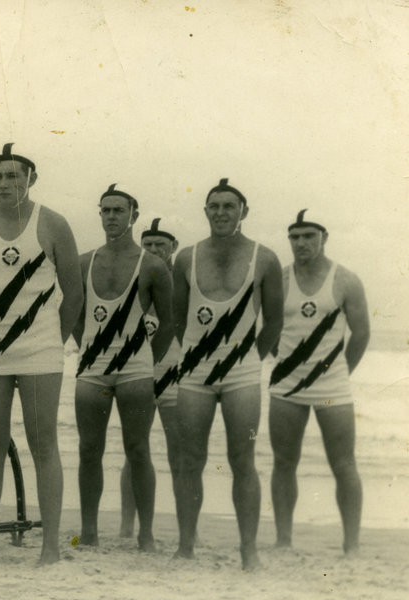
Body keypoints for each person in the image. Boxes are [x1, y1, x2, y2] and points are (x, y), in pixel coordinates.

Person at [0, 143, 83, 565]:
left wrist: (52, 339)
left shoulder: (53, 224)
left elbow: (74, 293)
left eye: (14, 176)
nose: (5, 184)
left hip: (40, 351)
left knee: (42, 443)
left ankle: (49, 548)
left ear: (31, 178)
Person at [171, 178, 283, 570]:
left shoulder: (264, 258)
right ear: (205, 212)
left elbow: (274, 323)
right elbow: (176, 318)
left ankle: (248, 549)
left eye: (229, 206)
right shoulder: (186, 257)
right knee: (189, 459)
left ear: (243, 212)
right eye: (214, 206)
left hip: (242, 374)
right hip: (195, 371)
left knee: (242, 459)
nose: (221, 212)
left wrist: (248, 361)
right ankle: (186, 545)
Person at [74, 186, 173, 552]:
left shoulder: (152, 265)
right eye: (105, 210)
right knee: (89, 450)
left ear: (134, 214)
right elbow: (75, 316)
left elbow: (168, 321)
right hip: (93, 367)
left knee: (138, 449)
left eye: (119, 210)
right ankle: (89, 530)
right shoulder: (84, 261)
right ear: (99, 215)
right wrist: (89, 349)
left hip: (135, 369)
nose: (112, 216)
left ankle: (145, 533)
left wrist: (146, 358)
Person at [269, 209, 369, 555]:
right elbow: (265, 330)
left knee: (344, 464)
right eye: (294, 237)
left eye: (309, 236)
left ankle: (351, 546)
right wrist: (279, 362)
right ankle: (283, 541)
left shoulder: (345, 280)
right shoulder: (279, 280)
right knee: (284, 462)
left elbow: (361, 334)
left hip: (333, 386)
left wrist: (340, 371)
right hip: (287, 386)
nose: (301, 243)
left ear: (323, 237)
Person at [119, 219, 186, 541]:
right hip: (138, 375)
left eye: (161, 244)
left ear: (173, 247)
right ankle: (127, 524)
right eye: (148, 244)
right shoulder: (133, 282)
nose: (155, 250)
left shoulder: (185, 283)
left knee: (180, 454)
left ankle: (187, 527)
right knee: (135, 452)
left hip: (176, 376)